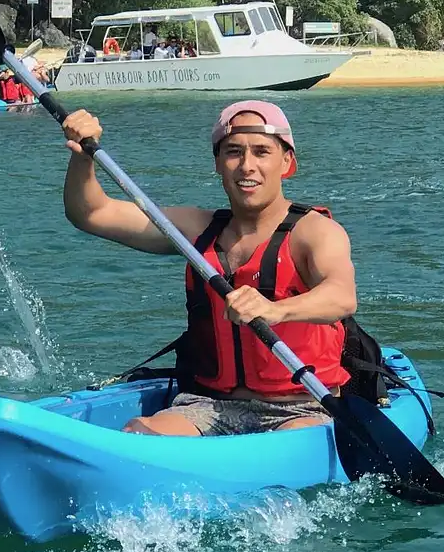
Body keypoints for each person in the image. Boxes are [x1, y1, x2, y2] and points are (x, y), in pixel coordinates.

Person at [61, 100, 358, 436]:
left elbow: (341, 297)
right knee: (139, 433)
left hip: (302, 406)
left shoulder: (315, 231)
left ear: (287, 162)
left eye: (262, 152)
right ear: (217, 162)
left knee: (287, 440)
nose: (247, 166)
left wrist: (276, 309)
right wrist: (82, 155)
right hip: (209, 404)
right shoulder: (194, 229)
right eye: (233, 152)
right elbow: (91, 214)